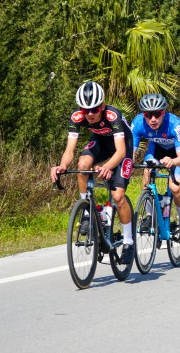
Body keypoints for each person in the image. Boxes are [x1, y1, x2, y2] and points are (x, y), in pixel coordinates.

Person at [50, 81, 135, 263]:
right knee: (83, 164)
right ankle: (87, 211)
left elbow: (120, 152)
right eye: (85, 110)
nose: (89, 114)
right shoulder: (76, 117)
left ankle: (129, 242)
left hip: (123, 149)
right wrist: (62, 165)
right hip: (100, 143)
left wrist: (106, 167)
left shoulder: (113, 115)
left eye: (94, 109)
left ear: (102, 106)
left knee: (118, 196)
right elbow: (70, 150)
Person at [131, 93, 180, 243]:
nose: (153, 119)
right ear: (143, 114)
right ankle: (149, 216)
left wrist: (172, 161)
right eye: (148, 115)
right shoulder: (138, 123)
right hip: (157, 149)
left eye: (157, 114)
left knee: (175, 188)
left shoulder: (174, 124)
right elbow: (130, 153)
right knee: (147, 171)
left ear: (163, 113)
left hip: (178, 153)